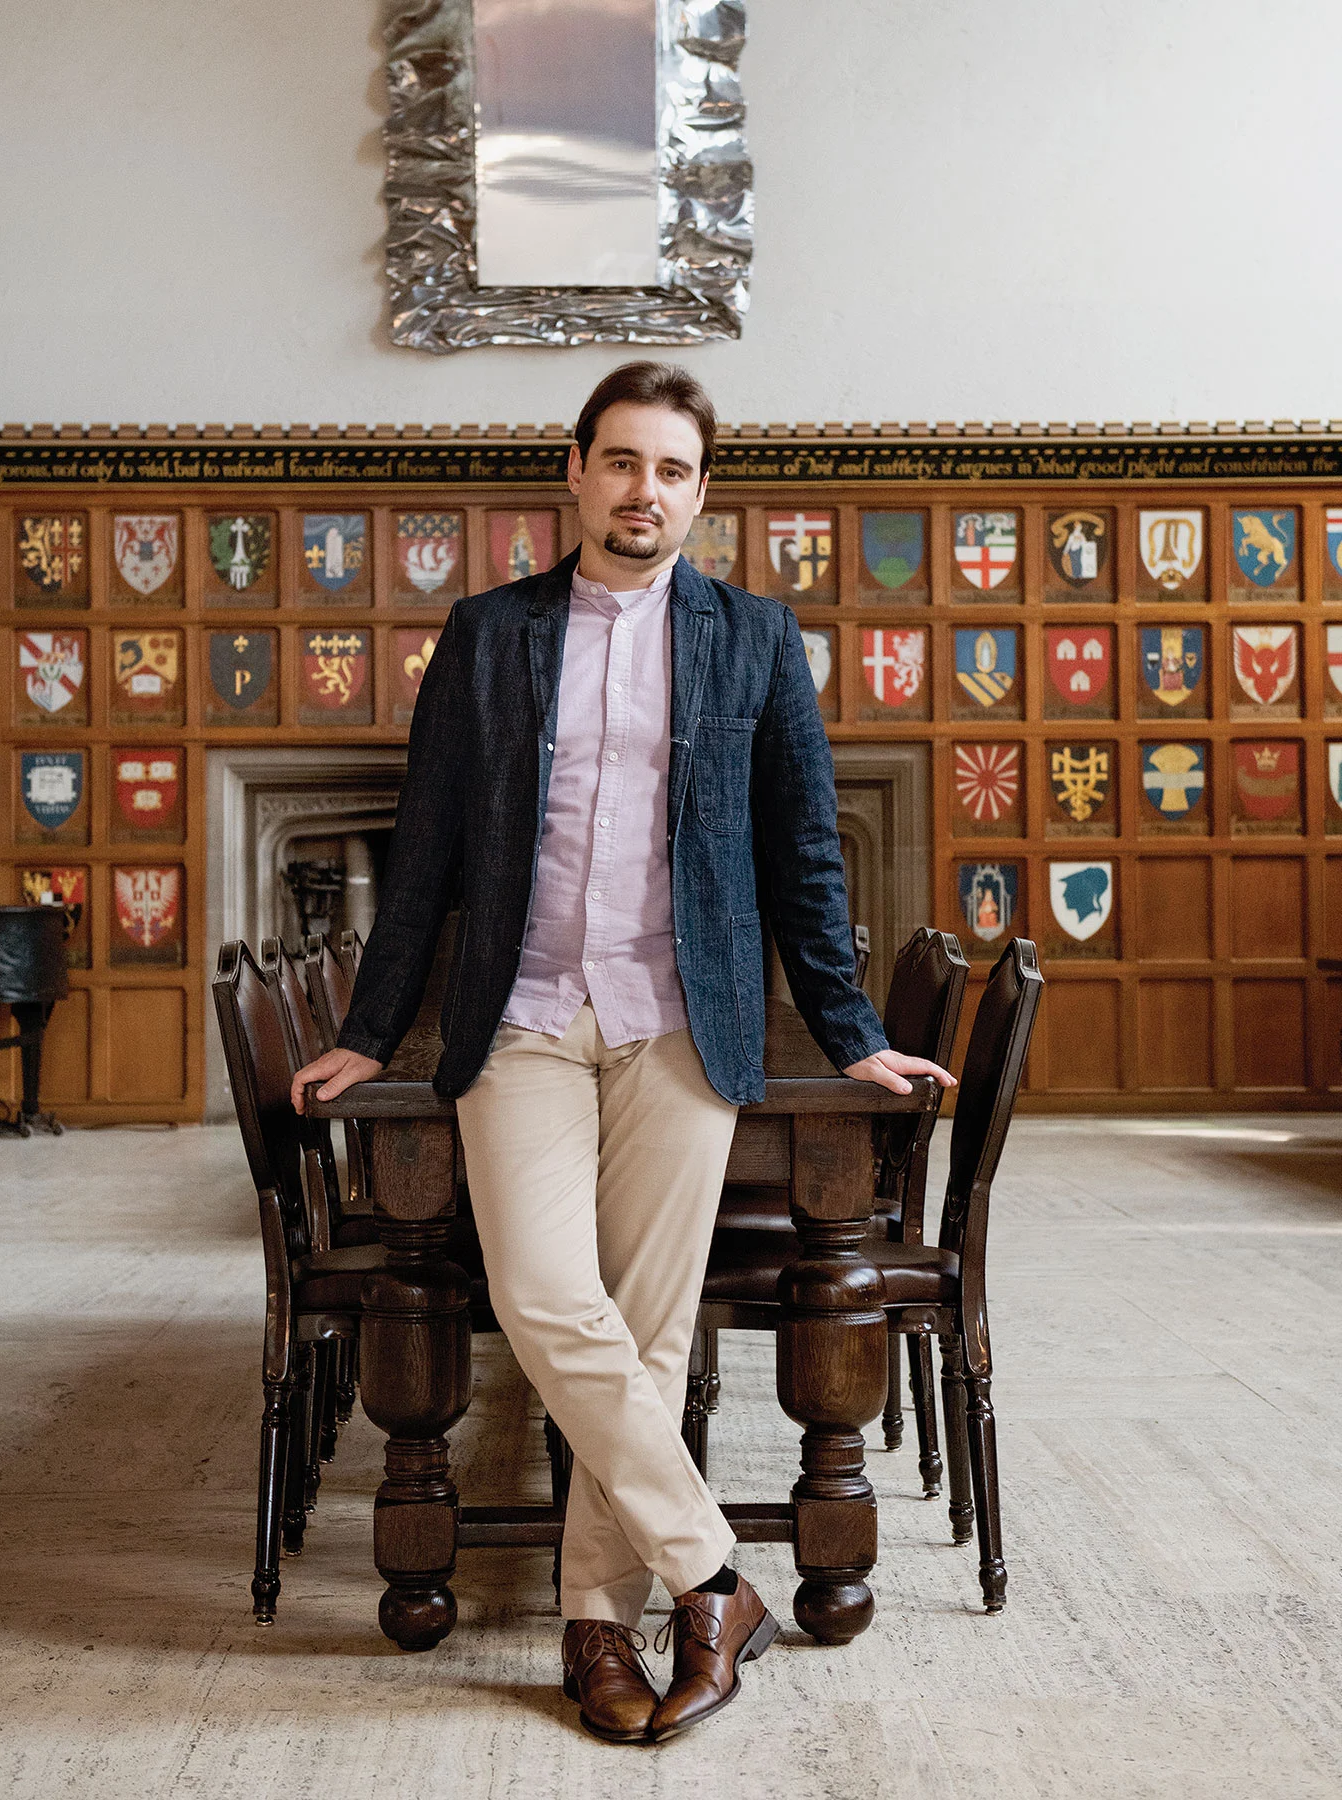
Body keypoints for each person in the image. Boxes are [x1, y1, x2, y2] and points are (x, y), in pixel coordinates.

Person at [290, 361, 954, 1744]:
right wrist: (368, 1031)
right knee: (543, 1295)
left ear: (700, 494)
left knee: (649, 1336)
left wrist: (851, 1032)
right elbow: (427, 846)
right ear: (575, 473)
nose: (644, 490)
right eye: (622, 462)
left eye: (673, 469)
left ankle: (601, 1625)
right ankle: (717, 1577)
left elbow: (802, 855)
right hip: (523, 1014)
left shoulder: (754, 640)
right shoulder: (486, 635)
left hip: (678, 1020)